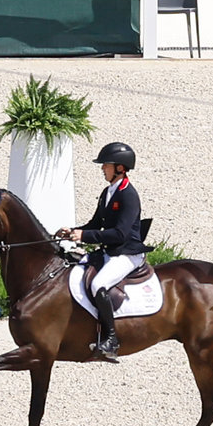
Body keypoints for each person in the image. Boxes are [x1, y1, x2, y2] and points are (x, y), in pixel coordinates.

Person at [68, 139, 145, 357]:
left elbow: (120, 233)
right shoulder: (108, 192)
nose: (103, 168)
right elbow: (95, 224)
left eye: (106, 165)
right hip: (110, 251)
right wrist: (73, 231)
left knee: (99, 283)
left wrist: (85, 236)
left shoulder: (128, 194)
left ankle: (111, 339)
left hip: (127, 253)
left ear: (120, 168)